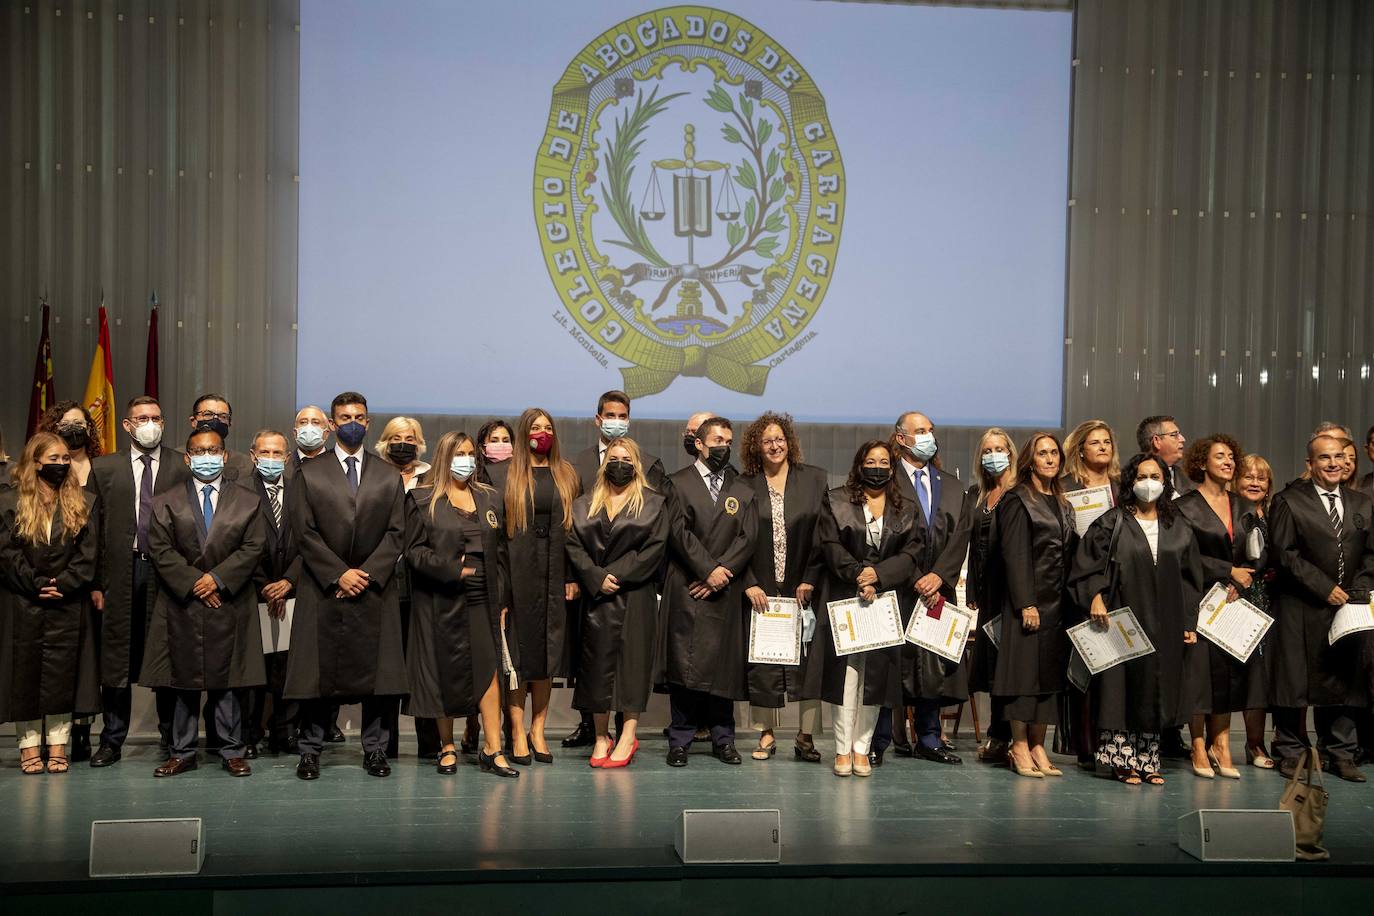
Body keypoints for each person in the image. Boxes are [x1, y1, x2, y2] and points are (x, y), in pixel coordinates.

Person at [285, 391, 407, 780]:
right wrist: (339, 573)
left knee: (379, 678)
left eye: (359, 416)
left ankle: (374, 750)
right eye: (344, 416)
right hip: (324, 588)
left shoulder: (388, 474)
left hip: (374, 588)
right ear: (332, 424)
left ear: (368, 423)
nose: (352, 421)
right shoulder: (309, 471)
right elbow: (302, 532)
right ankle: (310, 750)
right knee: (318, 676)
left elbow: (397, 532)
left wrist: (366, 574)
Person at [1068, 453, 1205, 786]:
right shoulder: (1112, 522)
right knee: (1120, 690)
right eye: (1142, 476)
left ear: (1165, 482)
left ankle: (1148, 759)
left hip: (1166, 622)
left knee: (1155, 688)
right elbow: (1086, 567)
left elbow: (1191, 577)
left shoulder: (1178, 524)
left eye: (1156, 477)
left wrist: (1189, 621)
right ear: (1130, 481)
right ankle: (1120, 759)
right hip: (1122, 618)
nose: (1149, 483)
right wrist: (1095, 597)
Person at [142, 429, 266, 777]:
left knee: (228, 681)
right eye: (199, 450)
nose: (206, 456)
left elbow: (253, 547)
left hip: (230, 601)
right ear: (187, 457)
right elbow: (160, 550)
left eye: (213, 450)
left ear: (225, 456)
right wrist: (197, 583)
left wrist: (218, 580)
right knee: (183, 681)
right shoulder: (166, 499)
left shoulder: (247, 500)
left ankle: (231, 750)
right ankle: (181, 751)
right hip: (183, 603)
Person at [85, 395, 192, 767]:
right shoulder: (104, 468)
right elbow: (93, 531)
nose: (150, 424)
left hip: (166, 572)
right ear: (127, 425)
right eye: (142, 418)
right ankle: (112, 739)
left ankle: (171, 738)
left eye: (156, 418)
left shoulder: (182, 464)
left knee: (166, 651)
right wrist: (95, 582)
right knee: (116, 656)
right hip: (119, 570)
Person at [405, 432, 518, 778]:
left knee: (488, 672)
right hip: (440, 598)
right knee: (444, 672)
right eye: (459, 453)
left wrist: (501, 597)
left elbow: (501, 555)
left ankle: (493, 748)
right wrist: (452, 570)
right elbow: (414, 552)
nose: (466, 460)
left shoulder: (489, 498)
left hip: (483, 599)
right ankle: (447, 746)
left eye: (470, 454)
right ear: (444, 457)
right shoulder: (422, 499)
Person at [803, 440, 919, 777]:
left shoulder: (906, 508)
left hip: (883, 600)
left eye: (884, 461)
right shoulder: (836, 500)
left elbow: (912, 553)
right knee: (846, 677)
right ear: (859, 464)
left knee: (875, 679)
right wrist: (858, 574)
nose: (878, 467)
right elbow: (828, 543)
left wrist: (878, 576)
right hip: (844, 594)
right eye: (871, 460)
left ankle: (862, 749)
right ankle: (841, 750)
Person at [564, 390, 668, 750]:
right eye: (614, 457)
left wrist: (617, 575)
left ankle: (627, 736)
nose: (620, 463)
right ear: (604, 461)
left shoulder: (654, 504)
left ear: (636, 464)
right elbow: (573, 544)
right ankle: (601, 736)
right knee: (594, 669)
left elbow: (654, 548)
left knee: (632, 667)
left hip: (634, 595)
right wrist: (595, 576)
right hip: (597, 597)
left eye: (627, 458)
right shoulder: (582, 504)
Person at [1268, 433, 1374, 782]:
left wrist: (1358, 589)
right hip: (1300, 603)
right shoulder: (1288, 501)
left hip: (1347, 607)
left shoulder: (1361, 503)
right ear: (1310, 464)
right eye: (1324, 458)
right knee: (1294, 680)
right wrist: (1323, 586)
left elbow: (1370, 554)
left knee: (1343, 680)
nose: (1333, 464)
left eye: (1339, 457)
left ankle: (1340, 753)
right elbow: (1284, 554)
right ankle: (1291, 752)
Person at [0, 432, 101, 774]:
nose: (59, 464)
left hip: (67, 601)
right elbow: (7, 553)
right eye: (52, 459)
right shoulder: (8, 501)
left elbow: (90, 555)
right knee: (24, 674)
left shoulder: (84, 501)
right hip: (23, 599)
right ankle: (28, 748)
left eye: (64, 459)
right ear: (35, 462)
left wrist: (63, 583)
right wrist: (36, 583)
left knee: (64, 673)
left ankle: (59, 745)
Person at [660, 416, 758, 767]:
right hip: (688, 584)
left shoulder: (743, 487)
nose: (723, 447)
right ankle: (680, 738)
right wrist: (707, 569)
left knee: (723, 667)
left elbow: (748, 537)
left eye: (728, 441)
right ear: (698, 444)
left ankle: (724, 738)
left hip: (725, 589)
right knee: (684, 664)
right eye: (716, 440)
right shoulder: (677, 483)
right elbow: (677, 532)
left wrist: (724, 572)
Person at [1175, 435, 1266, 779]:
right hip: (1198, 597)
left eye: (1231, 456)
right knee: (1198, 673)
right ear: (1201, 463)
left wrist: (1242, 578)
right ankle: (1198, 743)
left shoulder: (1244, 505)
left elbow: (1260, 548)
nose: (1228, 462)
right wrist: (1226, 570)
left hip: (1234, 599)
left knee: (1230, 673)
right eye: (1220, 456)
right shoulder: (1185, 505)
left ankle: (1222, 743)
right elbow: (1183, 555)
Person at [886, 412, 974, 765]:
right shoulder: (885, 482)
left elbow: (961, 534)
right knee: (893, 667)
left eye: (930, 431)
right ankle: (886, 738)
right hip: (899, 589)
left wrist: (939, 576)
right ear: (901, 438)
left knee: (933, 668)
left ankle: (929, 738)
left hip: (939, 590)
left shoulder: (951, 485)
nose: (927, 436)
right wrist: (913, 575)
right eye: (919, 431)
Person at [738, 412, 827, 762]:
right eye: (767, 441)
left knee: (809, 665)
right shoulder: (744, 485)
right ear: (756, 448)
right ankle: (766, 735)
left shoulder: (815, 480)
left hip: (802, 591)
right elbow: (735, 540)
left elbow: (825, 535)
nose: (775, 445)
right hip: (761, 592)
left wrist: (811, 577)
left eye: (780, 439)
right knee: (762, 667)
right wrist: (748, 583)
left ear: (789, 442)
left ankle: (805, 737)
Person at [992, 432, 1075, 779]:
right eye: (1043, 453)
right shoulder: (1017, 498)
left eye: (1054, 453)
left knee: (1049, 678)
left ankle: (1039, 744)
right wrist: (1026, 601)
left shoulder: (1063, 502)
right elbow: (1013, 554)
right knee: (1024, 677)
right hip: (1027, 603)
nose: (1051, 459)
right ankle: (1020, 745)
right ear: (1030, 459)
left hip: (1058, 604)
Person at [503, 408, 581, 765]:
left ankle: (539, 729)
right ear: (524, 433)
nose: (542, 433)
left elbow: (576, 533)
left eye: (548, 427)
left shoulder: (567, 474)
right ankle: (517, 730)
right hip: (519, 575)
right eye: (535, 428)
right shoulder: (506, 475)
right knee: (520, 654)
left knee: (548, 655)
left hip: (555, 576)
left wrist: (571, 576)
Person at [37, 400, 104, 759]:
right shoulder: (45, 468)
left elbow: (99, 535)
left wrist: (92, 582)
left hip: (84, 580)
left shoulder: (100, 468)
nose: (75, 429)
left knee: (86, 658)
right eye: (67, 423)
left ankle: (82, 730)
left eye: (81, 423)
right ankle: (44, 735)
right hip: (45, 579)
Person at [374, 416, 435, 758]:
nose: (404, 443)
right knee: (387, 667)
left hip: (425, 584)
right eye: (396, 437)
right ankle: (385, 744)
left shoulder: (432, 480)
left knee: (423, 665)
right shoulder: (374, 475)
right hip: (384, 583)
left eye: (410, 437)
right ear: (384, 442)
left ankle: (430, 743)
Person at [246, 429, 300, 757]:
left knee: (290, 669)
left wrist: (290, 581)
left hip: (294, 593)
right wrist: (264, 584)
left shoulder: (300, 491)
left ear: (287, 458)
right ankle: (250, 734)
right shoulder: (238, 491)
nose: (271, 459)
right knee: (254, 671)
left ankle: (286, 732)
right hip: (254, 592)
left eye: (277, 453)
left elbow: (311, 539)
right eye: (264, 453)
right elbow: (235, 543)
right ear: (253, 456)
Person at [966, 429, 1018, 764]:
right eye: (988, 450)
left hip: (1014, 591)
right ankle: (997, 734)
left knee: (1013, 667)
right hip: (987, 594)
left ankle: (1011, 736)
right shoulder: (977, 494)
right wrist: (972, 588)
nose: (994, 455)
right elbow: (973, 546)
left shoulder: (1020, 492)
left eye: (1000, 449)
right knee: (995, 667)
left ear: (1011, 454)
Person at [1232, 452, 1279, 768]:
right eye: (1249, 476)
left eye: (1261, 478)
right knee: (1230, 674)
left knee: (1261, 677)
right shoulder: (1231, 513)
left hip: (1269, 601)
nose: (1255, 482)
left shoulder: (1275, 514)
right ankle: (1213, 743)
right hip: (1235, 598)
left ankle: (1255, 745)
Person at [189, 393, 254, 481]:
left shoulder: (246, 465)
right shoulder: (176, 461)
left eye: (223, 416)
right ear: (193, 421)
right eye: (208, 414)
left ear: (229, 423)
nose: (216, 420)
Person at [1137, 415, 1192, 496]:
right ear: (1156, 441)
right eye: (1174, 435)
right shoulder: (1131, 479)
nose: (1183, 439)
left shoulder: (1188, 479)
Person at [375, 417, 431, 491]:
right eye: (396, 439)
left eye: (409, 439)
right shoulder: (373, 472)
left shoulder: (428, 473)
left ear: (417, 444)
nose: (402, 444)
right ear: (387, 443)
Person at [476, 419, 514, 489]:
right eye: (494, 441)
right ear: (482, 448)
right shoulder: (475, 476)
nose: (501, 444)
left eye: (505, 441)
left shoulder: (521, 473)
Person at [292, 406, 331, 471]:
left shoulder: (338, 464)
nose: (309, 427)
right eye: (303, 422)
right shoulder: (283, 465)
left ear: (326, 434)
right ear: (295, 433)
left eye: (315, 422)